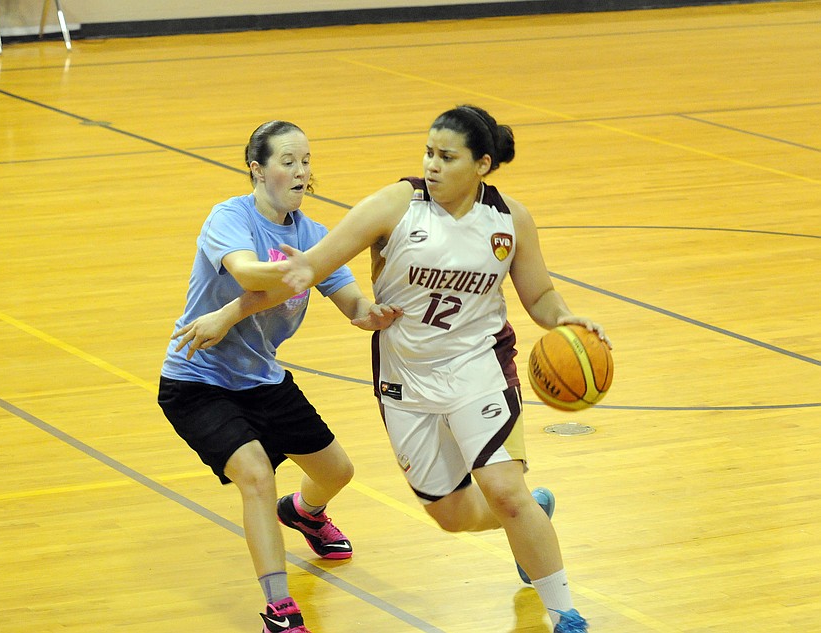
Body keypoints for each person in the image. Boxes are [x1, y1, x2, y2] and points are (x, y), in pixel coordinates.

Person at [179, 106, 609, 633]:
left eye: (447, 156)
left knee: (503, 487)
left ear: (482, 165)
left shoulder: (510, 219)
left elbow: (538, 294)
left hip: (480, 365)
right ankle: (525, 521)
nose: (431, 164)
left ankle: (565, 610)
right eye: (428, 152)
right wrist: (230, 308)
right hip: (406, 379)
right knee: (452, 515)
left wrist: (562, 318)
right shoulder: (395, 204)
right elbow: (310, 268)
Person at [158, 120, 402, 633]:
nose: (301, 171)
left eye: (306, 161)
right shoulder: (231, 217)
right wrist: (311, 266)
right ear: (257, 169)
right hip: (196, 379)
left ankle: (306, 513)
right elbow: (248, 274)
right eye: (288, 161)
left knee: (337, 472)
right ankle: (279, 608)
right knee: (255, 475)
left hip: (262, 379)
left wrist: (369, 312)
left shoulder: (313, 238)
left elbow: (350, 302)